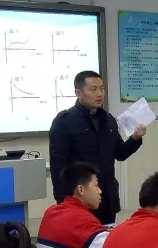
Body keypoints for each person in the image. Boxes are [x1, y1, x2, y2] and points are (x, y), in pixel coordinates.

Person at [49, 71, 147, 225]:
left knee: (106, 237)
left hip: (107, 197)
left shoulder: (108, 120)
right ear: (78, 93)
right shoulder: (64, 121)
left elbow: (120, 153)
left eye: (102, 89)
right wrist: (62, 200)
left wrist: (135, 139)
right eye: (93, 89)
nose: (99, 94)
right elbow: (57, 166)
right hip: (80, 199)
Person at [37, 162, 108, 248]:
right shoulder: (83, 221)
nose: (100, 191)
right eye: (96, 185)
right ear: (81, 189)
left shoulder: (51, 212)